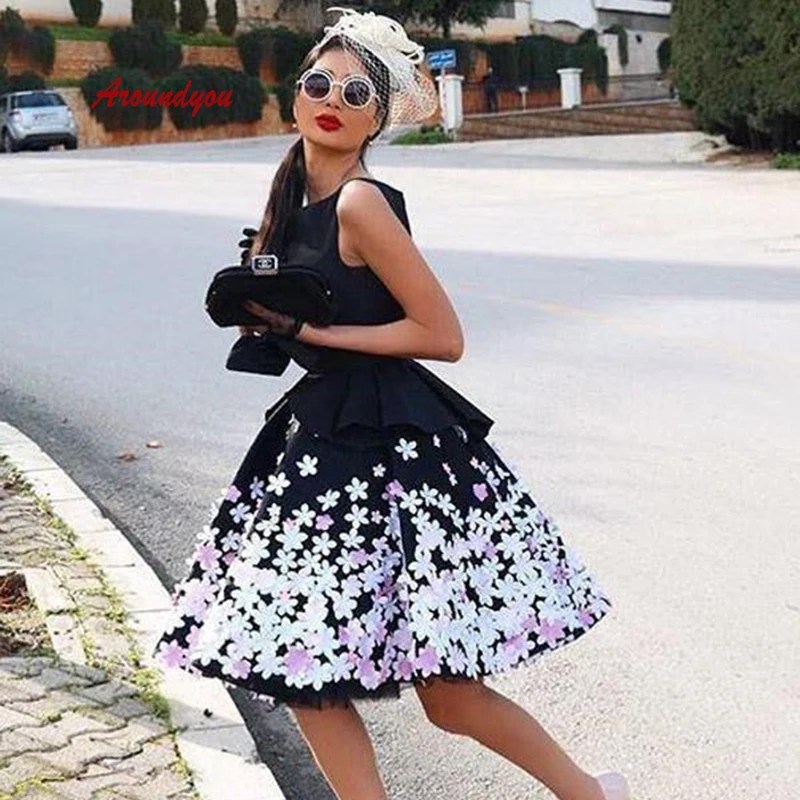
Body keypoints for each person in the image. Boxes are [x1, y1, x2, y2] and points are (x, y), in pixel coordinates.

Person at [153, 6, 629, 800]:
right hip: (322, 443)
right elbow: (314, 327)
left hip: (393, 451)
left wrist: (314, 330)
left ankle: (590, 794)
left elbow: (441, 335)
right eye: (319, 84)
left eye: (356, 93)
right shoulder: (287, 199)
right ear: (296, 95)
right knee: (303, 672)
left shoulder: (360, 204)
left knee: (446, 695)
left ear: (376, 118)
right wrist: (265, 321)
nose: (332, 100)